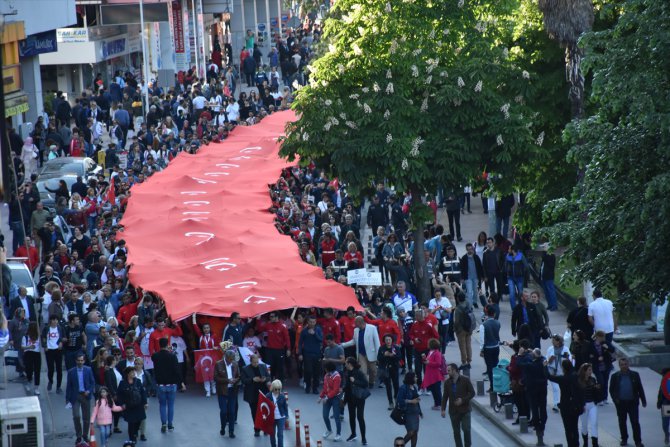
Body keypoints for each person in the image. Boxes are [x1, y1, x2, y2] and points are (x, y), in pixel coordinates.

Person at [609, 357, 646, 447]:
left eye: (625, 364)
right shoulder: (615, 376)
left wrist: (643, 400)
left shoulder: (635, 375)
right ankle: (624, 439)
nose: (624, 366)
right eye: (622, 365)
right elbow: (611, 390)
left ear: (628, 364)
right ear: (619, 365)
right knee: (622, 422)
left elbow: (640, 388)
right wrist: (615, 400)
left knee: (635, 422)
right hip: (621, 403)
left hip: (632, 403)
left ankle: (638, 441)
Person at [548, 359, 583, 447]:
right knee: (575, 428)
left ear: (563, 368)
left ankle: (571, 444)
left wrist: (545, 366)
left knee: (568, 428)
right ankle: (576, 444)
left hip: (566, 406)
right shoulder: (576, 376)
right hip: (575, 406)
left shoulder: (562, 378)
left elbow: (549, 376)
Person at [441, 363, 475, 447]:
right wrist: (443, 409)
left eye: (449, 370)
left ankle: (468, 445)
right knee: (456, 432)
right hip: (453, 411)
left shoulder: (465, 380)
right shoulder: (447, 382)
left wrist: (462, 400)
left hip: (465, 409)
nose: (447, 372)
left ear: (454, 370)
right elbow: (445, 396)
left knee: (466, 429)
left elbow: (472, 393)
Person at [341, 316, 380, 389]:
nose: (354, 324)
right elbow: (353, 341)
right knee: (363, 371)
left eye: (355, 323)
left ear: (360, 322)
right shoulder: (356, 330)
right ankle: (365, 384)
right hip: (361, 354)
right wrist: (343, 345)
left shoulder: (372, 328)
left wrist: (378, 355)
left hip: (371, 353)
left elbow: (377, 342)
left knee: (373, 370)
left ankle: (371, 382)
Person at [518, 348, 549, 443]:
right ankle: (542, 425)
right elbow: (541, 356)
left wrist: (520, 354)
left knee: (534, 408)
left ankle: (537, 426)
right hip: (543, 389)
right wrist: (535, 352)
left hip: (532, 390)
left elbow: (519, 364)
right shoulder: (543, 362)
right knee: (543, 407)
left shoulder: (530, 365)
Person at [65, 353, 96, 445]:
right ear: (76, 361)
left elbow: (92, 382)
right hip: (75, 396)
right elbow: (69, 386)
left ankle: (85, 435)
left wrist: (88, 391)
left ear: (84, 361)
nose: (80, 362)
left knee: (86, 418)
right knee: (76, 416)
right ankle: (79, 436)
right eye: (78, 360)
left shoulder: (88, 370)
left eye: (82, 360)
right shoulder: (71, 372)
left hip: (85, 395)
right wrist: (67, 400)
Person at [152, 337, 181, 433]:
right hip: (172, 384)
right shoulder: (172, 356)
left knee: (162, 405)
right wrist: (181, 382)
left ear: (159, 345)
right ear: (168, 344)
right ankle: (170, 424)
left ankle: (163, 423)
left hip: (160, 384)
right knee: (171, 405)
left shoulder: (155, 356)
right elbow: (177, 371)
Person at [241, 354, 271, 436]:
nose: (256, 364)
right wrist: (252, 379)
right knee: (254, 413)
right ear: (250, 362)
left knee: (264, 411)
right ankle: (257, 429)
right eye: (254, 362)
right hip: (252, 394)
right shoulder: (245, 369)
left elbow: (269, 377)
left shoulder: (263, 366)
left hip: (263, 393)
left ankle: (265, 428)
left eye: (257, 362)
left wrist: (265, 379)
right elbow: (243, 380)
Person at [116, 366, 148, 443]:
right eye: (132, 372)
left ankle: (135, 432)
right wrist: (122, 403)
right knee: (131, 422)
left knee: (139, 420)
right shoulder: (122, 383)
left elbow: (142, 393)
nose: (134, 373)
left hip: (138, 404)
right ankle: (132, 438)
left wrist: (145, 402)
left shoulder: (138, 381)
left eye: (134, 372)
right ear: (128, 374)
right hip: (129, 405)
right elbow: (119, 394)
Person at [215, 349, 240, 438]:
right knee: (224, 411)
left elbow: (238, 376)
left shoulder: (235, 364)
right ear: (225, 358)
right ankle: (222, 427)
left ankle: (231, 431)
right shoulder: (218, 364)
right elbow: (216, 378)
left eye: (232, 359)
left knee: (232, 412)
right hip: (222, 391)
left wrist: (235, 380)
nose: (231, 361)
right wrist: (227, 381)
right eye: (230, 359)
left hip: (232, 390)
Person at [577, 363, 601, 447]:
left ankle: (595, 443)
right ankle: (585, 442)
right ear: (584, 371)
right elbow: (577, 394)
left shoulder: (593, 379)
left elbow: (596, 392)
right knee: (584, 425)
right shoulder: (579, 381)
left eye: (591, 370)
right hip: (583, 405)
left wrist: (597, 389)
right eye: (589, 370)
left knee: (594, 423)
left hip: (592, 404)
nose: (591, 372)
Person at [546, 334, 572, 412]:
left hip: (563, 372)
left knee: (564, 389)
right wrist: (550, 360)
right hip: (553, 371)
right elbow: (546, 361)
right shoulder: (550, 349)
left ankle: (564, 402)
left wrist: (567, 357)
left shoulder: (565, 349)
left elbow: (570, 360)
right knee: (556, 388)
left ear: (558, 341)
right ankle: (556, 404)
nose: (552, 342)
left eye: (554, 340)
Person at [298, 314, 323, 394]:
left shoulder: (318, 329)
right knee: (308, 371)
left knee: (316, 372)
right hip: (307, 354)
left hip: (317, 354)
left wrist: (314, 334)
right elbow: (300, 343)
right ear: (308, 322)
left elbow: (321, 339)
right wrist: (300, 354)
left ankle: (315, 388)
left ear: (315, 322)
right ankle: (308, 386)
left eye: (313, 322)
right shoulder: (304, 331)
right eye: (310, 322)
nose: (312, 323)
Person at [318, 362, 342, 442]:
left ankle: (338, 434)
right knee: (325, 415)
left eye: (325, 368)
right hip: (327, 398)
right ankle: (329, 430)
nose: (324, 370)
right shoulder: (326, 376)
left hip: (335, 398)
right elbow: (325, 388)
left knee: (336, 417)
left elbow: (335, 390)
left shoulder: (337, 376)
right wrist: (321, 397)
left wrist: (327, 397)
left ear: (328, 369)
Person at [397, 371, 422, 447]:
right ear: (411, 378)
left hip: (415, 413)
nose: (417, 378)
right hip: (408, 413)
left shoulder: (414, 387)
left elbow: (416, 401)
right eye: (415, 377)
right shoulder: (403, 388)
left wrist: (420, 412)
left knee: (415, 433)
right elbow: (399, 400)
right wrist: (411, 401)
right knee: (411, 432)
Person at [589, 330, 614, 404]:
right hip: (597, 367)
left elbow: (613, 350)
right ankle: (599, 398)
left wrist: (607, 348)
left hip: (606, 366)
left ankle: (605, 398)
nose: (603, 339)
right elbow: (590, 356)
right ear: (597, 337)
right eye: (602, 337)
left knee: (605, 382)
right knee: (600, 382)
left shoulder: (606, 343)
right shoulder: (592, 345)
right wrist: (597, 358)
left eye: (604, 337)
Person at [264, 312, 291, 381]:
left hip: (279, 350)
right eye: (270, 317)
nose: (270, 318)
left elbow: (287, 338)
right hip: (270, 350)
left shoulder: (283, 326)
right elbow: (260, 328)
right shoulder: (268, 325)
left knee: (280, 367)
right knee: (269, 366)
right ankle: (269, 382)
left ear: (276, 317)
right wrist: (258, 320)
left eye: (272, 316)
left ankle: (280, 383)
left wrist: (288, 349)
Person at [480, 305, 501, 391]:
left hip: (488, 348)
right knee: (496, 365)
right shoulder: (498, 323)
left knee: (489, 367)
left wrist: (482, 350)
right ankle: (497, 384)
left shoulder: (484, 325)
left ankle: (492, 386)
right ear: (494, 314)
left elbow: (482, 339)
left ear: (487, 313)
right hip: (496, 347)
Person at [378, 334, 401, 410]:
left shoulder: (396, 348)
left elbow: (399, 357)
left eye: (389, 340)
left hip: (394, 369)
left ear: (392, 340)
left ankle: (397, 400)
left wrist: (392, 356)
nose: (388, 341)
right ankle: (390, 402)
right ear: (384, 341)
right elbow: (379, 358)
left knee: (396, 385)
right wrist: (385, 355)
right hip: (386, 369)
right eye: (386, 340)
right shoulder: (382, 348)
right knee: (388, 386)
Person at [421, 338, 444, 410]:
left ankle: (439, 404)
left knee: (437, 390)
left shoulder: (437, 353)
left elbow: (438, 363)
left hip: (435, 375)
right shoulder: (430, 352)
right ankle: (436, 404)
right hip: (431, 374)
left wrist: (429, 363)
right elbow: (429, 361)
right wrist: (425, 359)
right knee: (434, 390)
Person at [453, 291, 473, 371]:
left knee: (462, 346)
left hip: (461, 329)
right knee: (468, 345)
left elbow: (457, 321)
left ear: (458, 299)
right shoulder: (468, 304)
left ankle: (464, 362)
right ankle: (469, 361)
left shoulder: (458, 309)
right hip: (469, 328)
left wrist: (454, 329)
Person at [460, 243, 484, 308]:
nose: (470, 251)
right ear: (466, 250)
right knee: (469, 292)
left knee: (475, 291)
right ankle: (470, 306)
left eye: (471, 249)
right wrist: (462, 278)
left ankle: (475, 302)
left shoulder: (476, 257)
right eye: (468, 249)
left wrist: (482, 276)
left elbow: (480, 267)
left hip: (476, 277)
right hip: (468, 278)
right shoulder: (464, 258)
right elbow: (462, 268)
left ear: (473, 249)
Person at [267, 380, 288, 447]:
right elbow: (264, 407)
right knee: (272, 434)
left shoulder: (282, 396)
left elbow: (285, 407)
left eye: (279, 389)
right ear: (272, 388)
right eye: (276, 389)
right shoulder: (268, 396)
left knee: (280, 434)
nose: (277, 391)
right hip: (272, 418)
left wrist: (286, 417)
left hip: (281, 417)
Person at [658, 367, 670, 446]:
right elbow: (661, 391)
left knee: (665, 422)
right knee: (665, 423)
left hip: (666, 403)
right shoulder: (664, 380)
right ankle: (666, 434)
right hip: (666, 403)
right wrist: (659, 402)